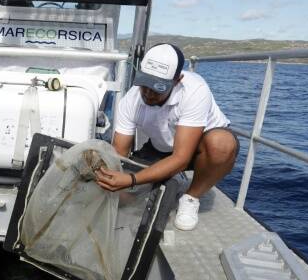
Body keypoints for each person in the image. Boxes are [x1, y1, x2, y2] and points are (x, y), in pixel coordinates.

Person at [95, 43, 239, 231]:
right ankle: (170, 180)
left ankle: (191, 197)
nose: (148, 93)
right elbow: (119, 153)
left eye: (157, 88)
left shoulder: (195, 90)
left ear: (177, 80)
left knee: (222, 145)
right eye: (144, 84)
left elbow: (181, 158)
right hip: (161, 147)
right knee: (127, 197)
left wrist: (131, 179)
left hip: (199, 148)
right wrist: (117, 180)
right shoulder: (131, 100)